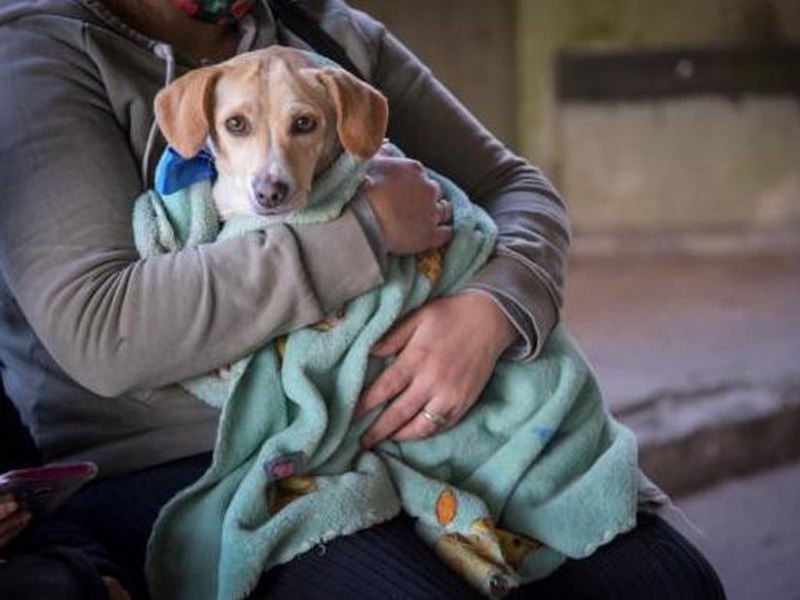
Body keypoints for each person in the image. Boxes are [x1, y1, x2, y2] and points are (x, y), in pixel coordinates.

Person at [0, 0, 725, 598]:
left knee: (668, 582)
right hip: (181, 454)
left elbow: (516, 188)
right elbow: (103, 331)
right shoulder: (42, 55)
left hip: (404, 427)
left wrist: (493, 308)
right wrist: (367, 230)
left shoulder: (327, 34)